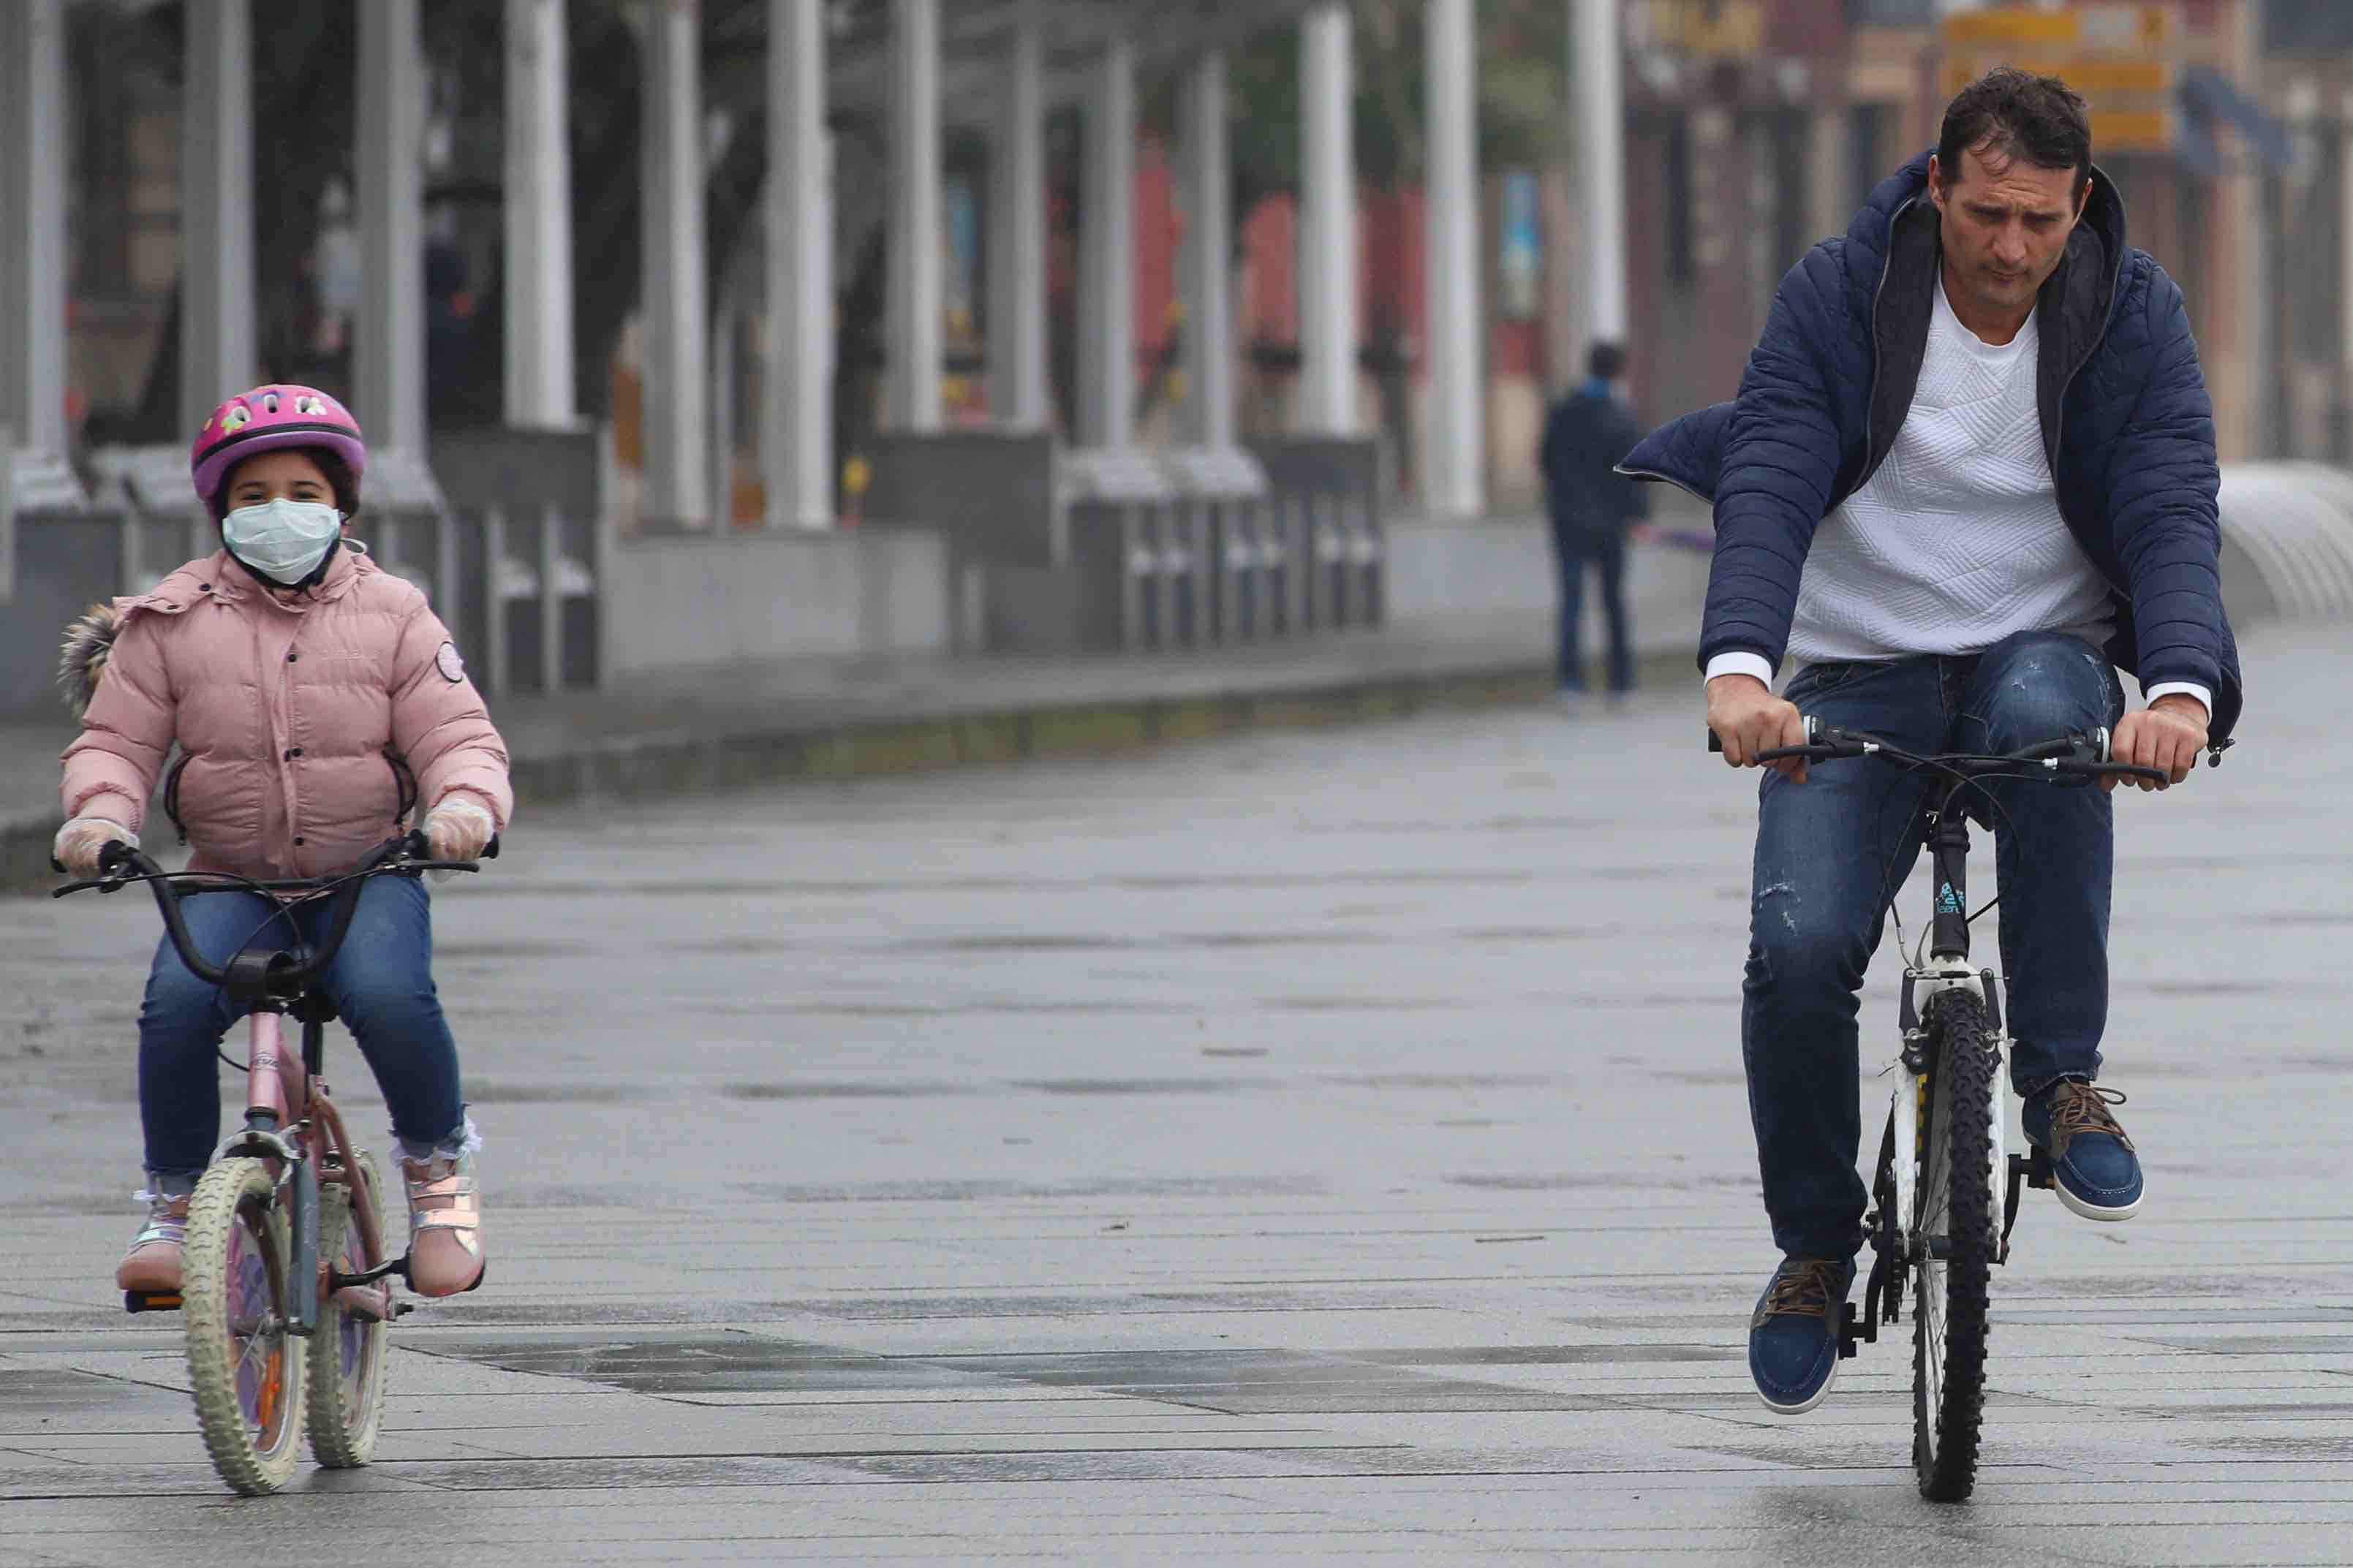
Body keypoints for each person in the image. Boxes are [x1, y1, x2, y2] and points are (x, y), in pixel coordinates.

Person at [1620, 69, 2241, 1414]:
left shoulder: (2131, 313)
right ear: (1936, 187)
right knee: (1792, 951)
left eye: (2036, 221)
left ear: (2078, 205)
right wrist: (1739, 673)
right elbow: (1776, 468)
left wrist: (2177, 694)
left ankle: (2061, 1084)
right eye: (1981, 216)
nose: (2008, 251)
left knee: (2050, 717)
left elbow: (2167, 506)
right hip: (1860, 664)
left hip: (2041, 649)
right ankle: (1809, 1248)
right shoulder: (1841, 292)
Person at [53, 384, 510, 1300]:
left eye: (303, 492)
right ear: (220, 509)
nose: (279, 514)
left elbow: (458, 734)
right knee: (177, 1006)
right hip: (228, 880)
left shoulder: (395, 614)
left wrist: (462, 806)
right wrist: (100, 818)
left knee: (390, 991)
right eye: (252, 497)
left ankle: (438, 1179)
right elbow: (115, 743)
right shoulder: (168, 624)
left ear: (340, 504)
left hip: (367, 871)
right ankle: (174, 1205)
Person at [1538, 342, 1649, 703]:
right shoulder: (1622, 416)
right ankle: (1621, 683)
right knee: (1613, 602)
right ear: (1618, 371)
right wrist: (1637, 517)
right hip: (1610, 524)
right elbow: (1635, 469)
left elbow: (1546, 460)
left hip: (1569, 520)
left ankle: (1571, 684)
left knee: (1571, 602)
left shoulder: (1562, 410)